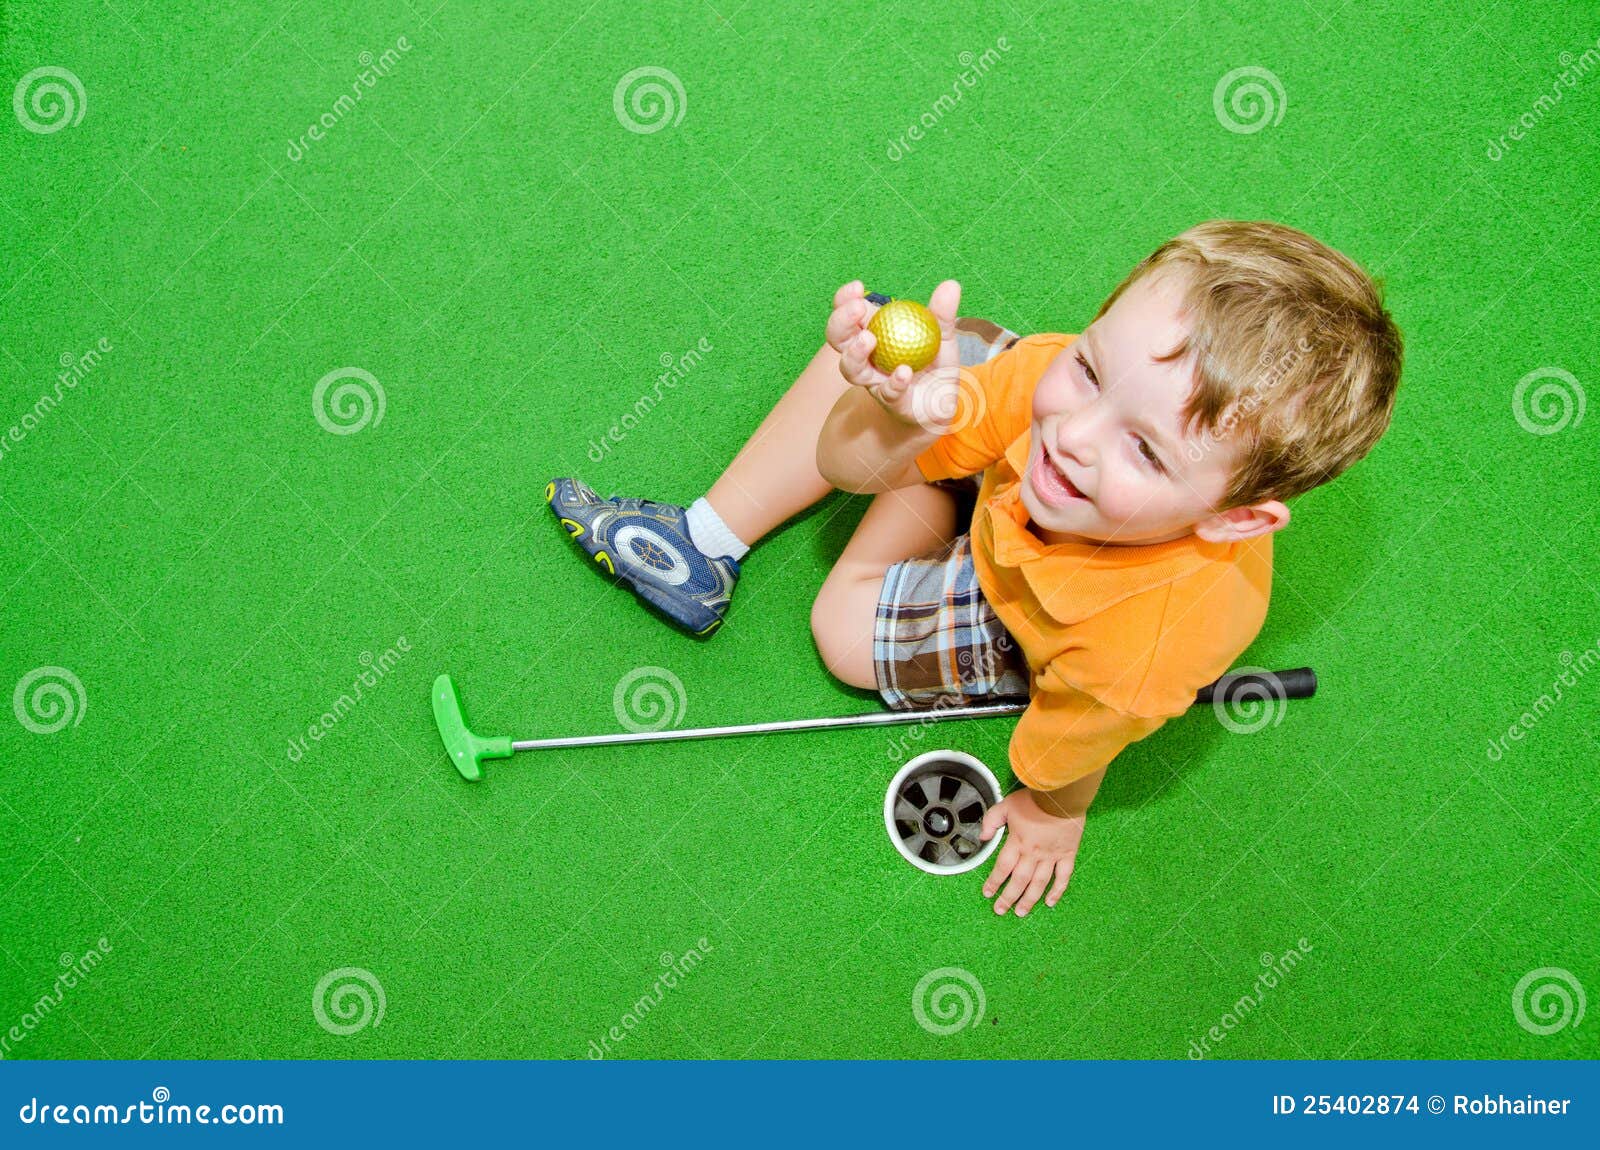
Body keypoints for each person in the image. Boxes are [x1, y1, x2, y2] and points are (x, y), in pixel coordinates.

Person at [547, 219, 1403, 917]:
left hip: (1032, 606)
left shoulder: (1143, 650)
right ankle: (704, 542)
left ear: (1235, 518)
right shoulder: (1054, 391)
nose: (1072, 434)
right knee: (902, 352)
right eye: (1092, 365)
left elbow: (1074, 741)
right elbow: (849, 463)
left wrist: (1050, 810)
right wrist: (900, 423)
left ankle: (936, 500)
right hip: (1007, 491)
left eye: (1143, 447)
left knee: (842, 633)